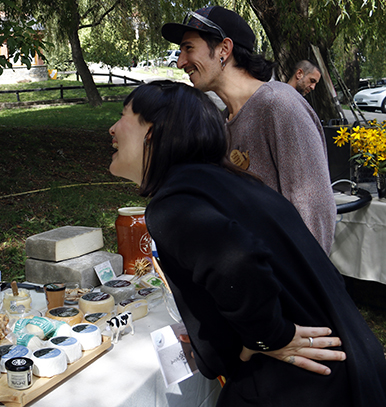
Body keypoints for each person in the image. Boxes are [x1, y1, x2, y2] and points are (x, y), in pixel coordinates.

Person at [108, 81, 386, 406]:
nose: (112, 129)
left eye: (123, 114)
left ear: (152, 131)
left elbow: (236, 261)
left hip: (304, 382)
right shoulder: (232, 183)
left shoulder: (175, 202)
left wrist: (267, 335)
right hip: (349, 364)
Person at [162, 6, 336, 255]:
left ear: (224, 49)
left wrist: (305, 286)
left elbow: (314, 209)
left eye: (188, 48)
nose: (180, 62)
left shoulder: (279, 104)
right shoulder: (224, 122)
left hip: (288, 286)